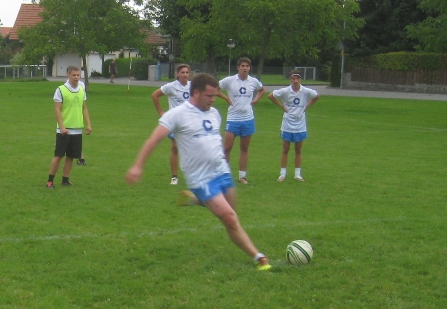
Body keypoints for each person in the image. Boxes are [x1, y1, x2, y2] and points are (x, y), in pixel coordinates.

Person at [126, 72, 272, 270]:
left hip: (222, 171)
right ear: (196, 93)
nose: (213, 99)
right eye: (209, 96)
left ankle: (197, 200)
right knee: (230, 218)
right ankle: (259, 257)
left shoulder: (214, 113)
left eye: (215, 95)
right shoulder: (177, 114)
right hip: (201, 179)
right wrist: (137, 166)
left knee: (232, 215)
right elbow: (154, 139)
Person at [218, 57, 265, 185]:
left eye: (247, 66)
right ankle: (224, 176)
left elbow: (262, 90)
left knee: (244, 148)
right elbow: (215, 88)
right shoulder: (230, 80)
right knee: (227, 147)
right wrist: (226, 98)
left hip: (248, 119)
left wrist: (256, 99)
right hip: (233, 119)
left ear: (249, 68)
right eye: (243, 66)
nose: (245, 68)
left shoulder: (253, 82)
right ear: (238, 67)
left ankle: (242, 177)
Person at [269, 69, 320, 182]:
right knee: (285, 149)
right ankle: (282, 174)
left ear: (300, 79)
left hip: (300, 125)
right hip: (287, 124)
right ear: (290, 79)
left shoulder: (305, 91)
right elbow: (270, 96)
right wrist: (281, 105)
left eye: (297, 78)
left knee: (298, 149)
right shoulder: (285, 91)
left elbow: (317, 96)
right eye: (293, 78)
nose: (295, 81)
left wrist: (307, 105)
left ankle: (297, 174)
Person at [47, 66, 91, 188]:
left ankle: (65, 180)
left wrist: (88, 124)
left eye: (78, 75)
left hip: (77, 129)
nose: (76, 77)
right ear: (68, 75)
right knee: (58, 156)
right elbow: (57, 109)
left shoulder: (81, 89)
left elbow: (84, 107)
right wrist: (62, 127)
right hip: (64, 130)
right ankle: (50, 181)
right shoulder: (61, 90)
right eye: (74, 75)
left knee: (71, 156)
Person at [151, 63, 192, 185]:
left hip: (190, 122)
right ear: (177, 74)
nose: (185, 75)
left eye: (187, 72)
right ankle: (174, 177)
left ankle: (193, 174)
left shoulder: (193, 86)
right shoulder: (171, 86)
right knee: (175, 148)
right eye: (182, 72)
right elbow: (155, 95)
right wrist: (161, 112)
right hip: (175, 123)